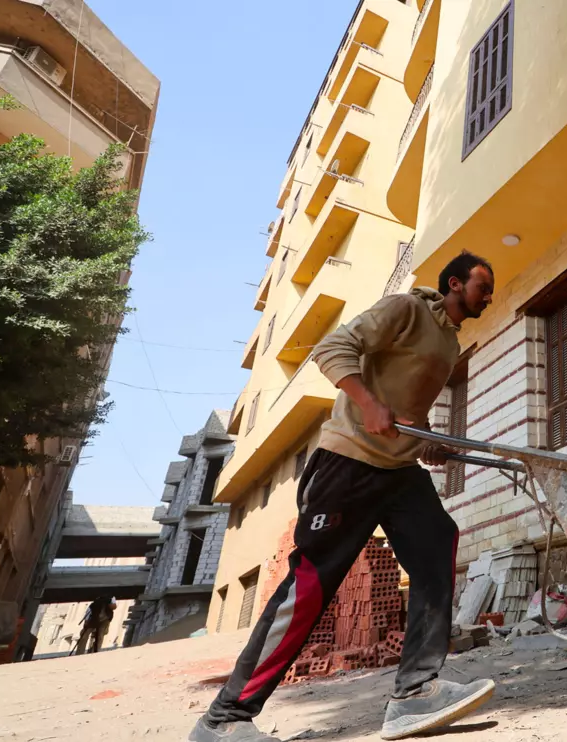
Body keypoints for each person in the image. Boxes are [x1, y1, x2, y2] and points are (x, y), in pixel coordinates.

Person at [190, 253, 497, 742]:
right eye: (484, 284)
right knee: (311, 586)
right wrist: (368, 403)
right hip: (349, 462)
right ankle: (225, 719)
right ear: (455, 283)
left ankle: (414, 694)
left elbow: (407, 410)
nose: (490, 293)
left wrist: (427, 440)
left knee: (438, 543)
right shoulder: (407, 309)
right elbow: (333, 348)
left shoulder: (448, 339)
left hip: (398, 468)